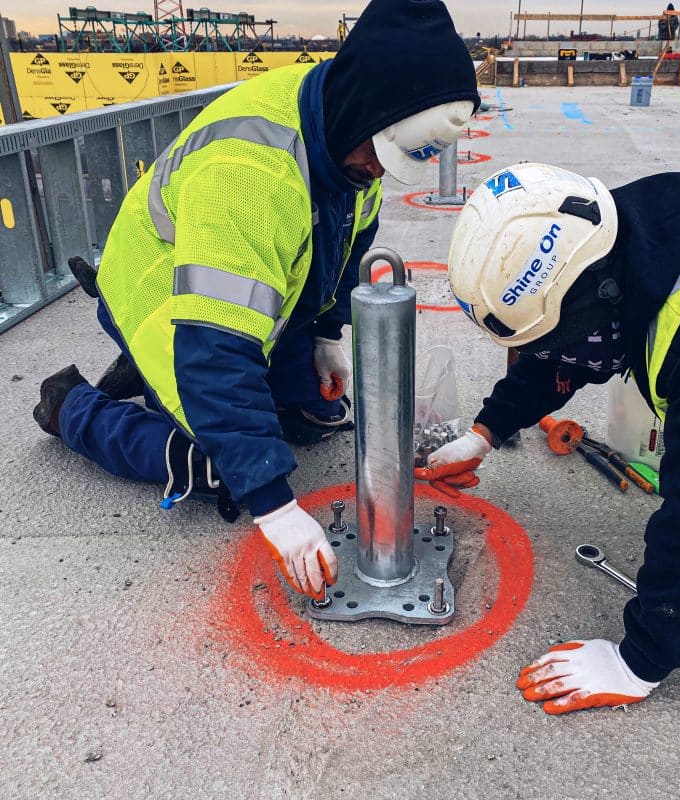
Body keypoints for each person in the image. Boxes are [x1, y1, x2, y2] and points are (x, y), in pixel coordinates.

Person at [33, 0, 480, 603]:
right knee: (229, 466)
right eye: (377, 154)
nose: (378, 171)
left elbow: (351, 241)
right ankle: (72, 407)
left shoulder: (347, 139)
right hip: (167, 297)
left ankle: (161, 382)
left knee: (321, 416)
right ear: (362, 111)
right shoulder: (250, 171)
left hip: (245, 291)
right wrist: (275, 508)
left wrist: (326, 334)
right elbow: (215, 351)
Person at [416, 162, 680, 714]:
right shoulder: (618, 236)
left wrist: (639, 660)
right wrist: (487, 430)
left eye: (560, 336)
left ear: (599, 293)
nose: (560, 352)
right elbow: (564, 350)